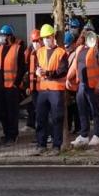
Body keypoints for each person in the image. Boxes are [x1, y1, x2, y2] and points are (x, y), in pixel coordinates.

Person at [32, 24, 69, 155]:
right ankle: (41, 144)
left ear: (53, 37)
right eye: (44, 38)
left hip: (56, 90)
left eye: (48, 37)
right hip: (43, 89)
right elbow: (37, 65)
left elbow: (62, 71)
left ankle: (56, 146)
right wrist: (37, 71)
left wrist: (47, 73)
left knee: (57, 118)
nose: (46, 40)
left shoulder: (61, 52)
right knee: (41, 117)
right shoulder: (39, 52)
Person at [69, 29, 99, 149]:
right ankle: (84, 135)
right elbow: (74, 66)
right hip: (81, 84)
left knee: (95, 110)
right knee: (82, 110)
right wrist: (68, 78)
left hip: (92, 84)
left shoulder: (96, 49)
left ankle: (97, 135)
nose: (86, 36)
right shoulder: (79, 49)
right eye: (84, 34)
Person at [0, 25, 26, 144]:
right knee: (2, 112)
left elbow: (22, 68)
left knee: (12, 112)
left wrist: (16, 83)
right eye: (1, 35)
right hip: (1, 87)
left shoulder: (17, 49)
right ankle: (6, 133)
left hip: (12, 87)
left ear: (9, 36)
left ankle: (13, 135)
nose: (2, 38)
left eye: (4, 35)